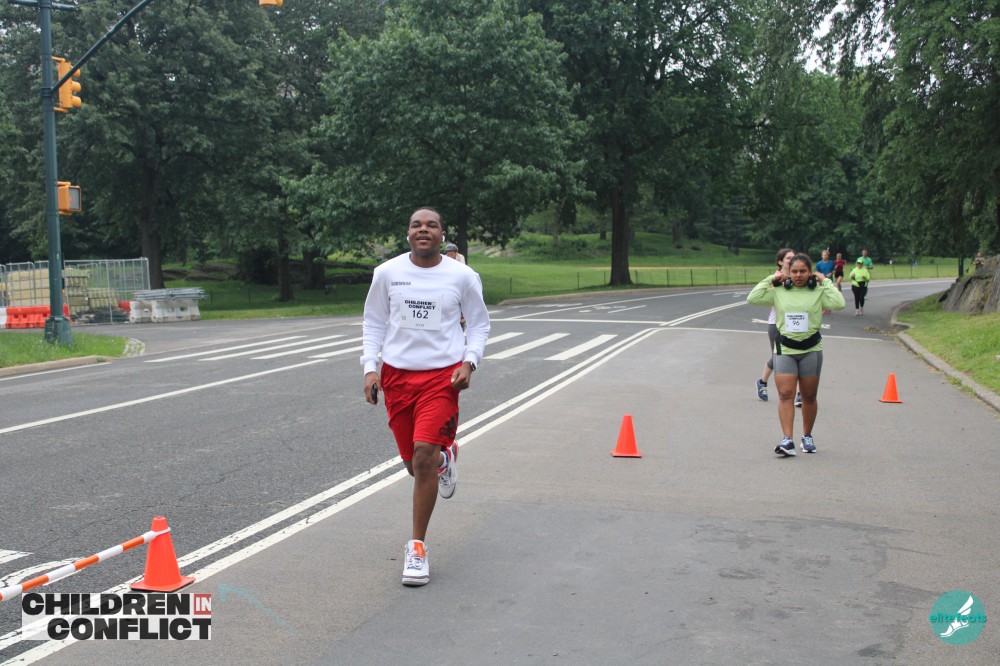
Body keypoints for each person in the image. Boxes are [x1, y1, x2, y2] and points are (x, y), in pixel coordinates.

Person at [362, 207, 490, 586]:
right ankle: (445, 459)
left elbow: (479, 324)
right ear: (408, 234)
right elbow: (373, 321)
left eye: (431, 225)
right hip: (398, 377)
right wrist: (370, 367)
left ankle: (416, 547)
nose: (423, 230)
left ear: (442, 235)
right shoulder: (387, 273)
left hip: (441, 378)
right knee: (414, 465)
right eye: (416, 225)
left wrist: (469, 362)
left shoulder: (462, 276)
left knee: (422, 457)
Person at [748, 253, 846, 456]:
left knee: (809, 396)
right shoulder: (779, 291)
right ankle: (787, 440)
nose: (798, 275)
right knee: (785, 394)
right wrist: (772, 278)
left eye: (803, 271)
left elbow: (839, 303)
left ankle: (807, 436)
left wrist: (825, 280)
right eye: (794, 271)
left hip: (811, 350)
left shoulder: (818, 291)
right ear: (788, 272)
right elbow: (753, 298)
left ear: (810, 272)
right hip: (785, 350)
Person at [756, 248, 795, 402]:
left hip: (793, 323)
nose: (792, 260)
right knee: (778, 356)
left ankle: (798, 394)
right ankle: (762, 382)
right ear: (780, 262)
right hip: (777, 324)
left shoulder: (797, 275)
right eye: (788, 258)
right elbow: (767, 298)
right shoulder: (776, 278)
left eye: (794, 257)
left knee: (797, 355)